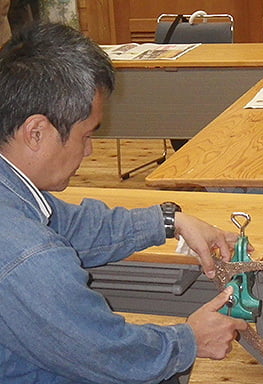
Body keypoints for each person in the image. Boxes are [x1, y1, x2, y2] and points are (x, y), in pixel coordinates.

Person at [0, 22, 248, 384]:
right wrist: (189, 340)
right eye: (87, 135)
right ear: (36, 132)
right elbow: (105, 353)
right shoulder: (29, 256)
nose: (89, 150)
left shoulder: (16, 197)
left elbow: (71, 225)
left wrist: (171, 222)